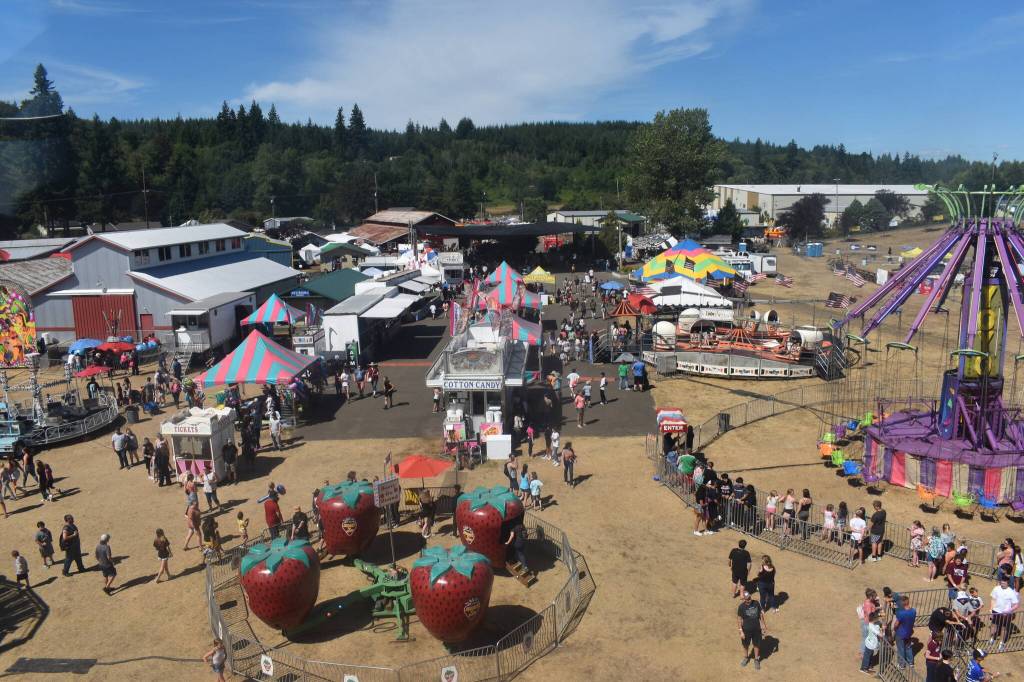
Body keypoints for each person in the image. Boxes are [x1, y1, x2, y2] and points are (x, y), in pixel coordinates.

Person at [737, 589, 767, 670]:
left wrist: (763, 625)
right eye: (747, 599)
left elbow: (760, 615)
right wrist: (741, 631)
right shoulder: (741, 607)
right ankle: (746, 657)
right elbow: (739, 619)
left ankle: (756, 659)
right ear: (744, 599)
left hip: (756, 630)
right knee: (745, 645)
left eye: (750, 598)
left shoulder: (756, 603)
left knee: (756, 644)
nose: (749, 600)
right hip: (746, 630)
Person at [988, 575, 1019, 651]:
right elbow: (993, 599)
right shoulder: (996, 588)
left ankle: (1001, 643)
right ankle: (991, 639)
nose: (1002, 583)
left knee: (1004, 628)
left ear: (1008, 583)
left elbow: (1016, 604)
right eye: (1001, 582)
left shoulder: (1011, 592)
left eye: (1004, 582)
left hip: (1006, 614)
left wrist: (1009, 611)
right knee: (993, 625)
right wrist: (991, 610)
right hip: (996, 611)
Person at [894, 595, 917, 668]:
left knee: (901, 649)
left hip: (900, 633)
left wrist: (895, 628)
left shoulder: (901, 613)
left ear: (902, 603)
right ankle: (911, 662)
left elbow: (896, 624)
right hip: (909, 632)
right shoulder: (913, 611)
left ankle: (902, 664)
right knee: (908, 647)